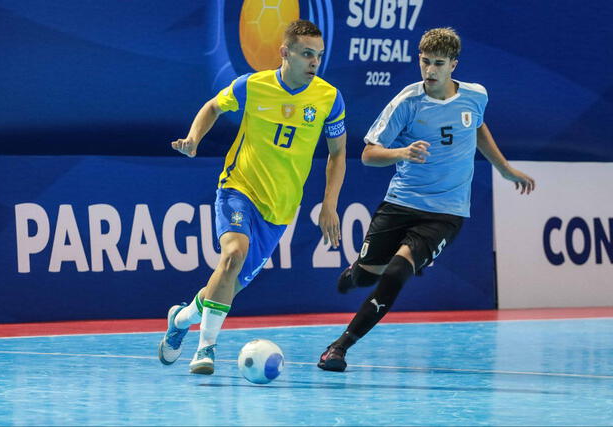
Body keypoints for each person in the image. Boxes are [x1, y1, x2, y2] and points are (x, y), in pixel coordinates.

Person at [317, 27, 535, 372]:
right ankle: (357, 271)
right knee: (367, 277)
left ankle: (339, 347)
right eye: (425, 62)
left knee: (399, 270)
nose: (430, 71)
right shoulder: (408, 102)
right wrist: (402, 152)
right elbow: (369, 155)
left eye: (438, 63)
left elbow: (476, 126)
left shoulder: (476, 96)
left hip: (446, 212)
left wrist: (504, 168)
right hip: (401, 202)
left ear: (453, 65)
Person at [159, 20, 347, 375]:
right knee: (232, 256)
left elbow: (338, 153)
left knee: (229, 284)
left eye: (318, 56)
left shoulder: (328, 98)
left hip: (279, 210)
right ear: (285, 53)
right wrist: (194, 138)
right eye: (307, 54)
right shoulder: (252, 86)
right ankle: (206, 350)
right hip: (239, 188)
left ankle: (181, 319)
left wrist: (330, 204)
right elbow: (213, 106)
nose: (314, 62)